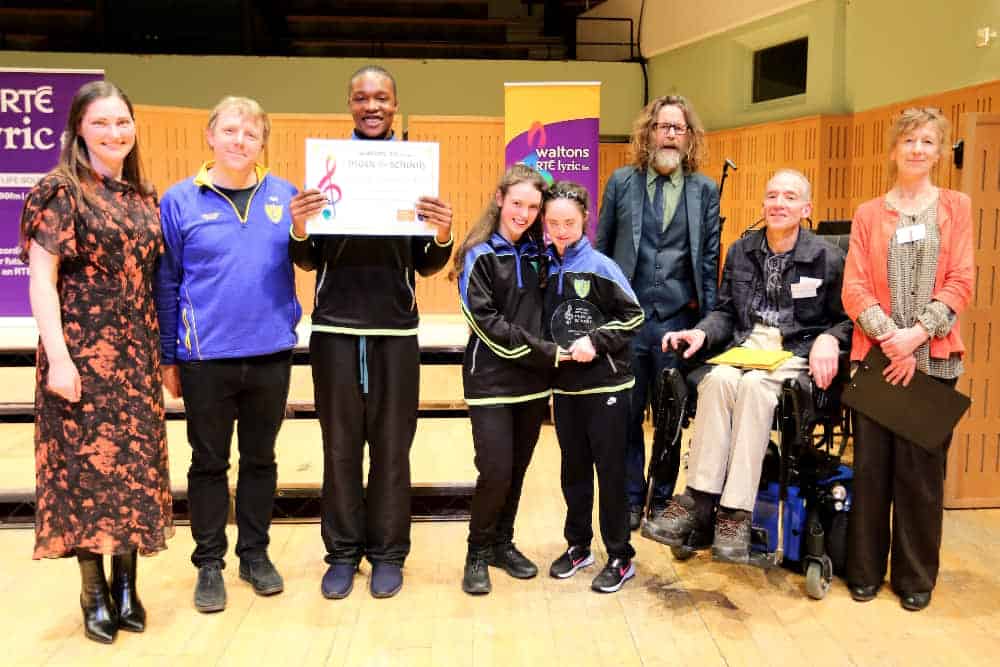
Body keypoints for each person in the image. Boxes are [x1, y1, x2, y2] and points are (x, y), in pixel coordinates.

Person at [289, 65, 454, 599]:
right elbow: (308, 258)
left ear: (395, 104)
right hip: (335, 329)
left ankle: (387, 553)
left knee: (391, 449)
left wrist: (442, 233)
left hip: (396, 332)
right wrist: (299, 225)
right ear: (349, 105)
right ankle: (341, 553)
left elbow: (426, 266)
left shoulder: (412, 169)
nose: (371, 105)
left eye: (381, 97)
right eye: (361, 97)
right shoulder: (329, 169)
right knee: (339, 448)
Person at [20, 80, 173, 644]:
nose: (115, 132)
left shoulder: (141, 195)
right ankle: (93, 591)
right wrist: (58, 358)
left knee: (133, 471)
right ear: (78, 129)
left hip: (134, 355)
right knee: (86, 473)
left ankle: (128, 585)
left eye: (123, 122)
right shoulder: (60, 191)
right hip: (82, 353)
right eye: (102, 122)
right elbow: (42, 279)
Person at [653, 169, 852, 564]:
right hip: (745, 346)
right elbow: (726, 312)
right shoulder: (744, 250)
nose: (779, 204)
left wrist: (830, 339)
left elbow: (847, 318)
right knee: (719, 380)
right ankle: (698, 498)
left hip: (796, 350)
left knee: (755, 387)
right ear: (763, 205)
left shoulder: (827, 257)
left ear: (806, 208)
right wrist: (701, 334)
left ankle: (735, 513)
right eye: (772, 196)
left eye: (790, 197)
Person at [154, 96, 303, 613]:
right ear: (210, 137)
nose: (241, 141)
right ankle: (209, 563)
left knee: (261, 460)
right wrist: (168, 355)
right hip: (204, 359)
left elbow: (310, 252)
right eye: (231, 131)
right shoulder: (178, 201)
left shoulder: (286, 196)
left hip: (271, 354)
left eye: (252, 134)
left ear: (263, 143)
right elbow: (167, 282)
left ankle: (255, 554)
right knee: (209, 461)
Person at [842, 108, 974, 611]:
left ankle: (915, 578)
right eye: (909, 141)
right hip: (877, 359)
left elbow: (961, 279)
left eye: (928, 141)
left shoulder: (956, 207)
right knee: (872, 472)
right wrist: (889, 340)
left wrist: (915, 338)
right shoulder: (868, 213)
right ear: (893, 150)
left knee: (920, 479)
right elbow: (853, 287)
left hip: (934, 361)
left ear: (939, 153)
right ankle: (865, 570)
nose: (918, 149)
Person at [595, 95, 721, 528]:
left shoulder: (704, 190)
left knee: (670, 418)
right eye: (662, 126)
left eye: (678, 128)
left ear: (689, 138)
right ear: (647, 133)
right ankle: (632, 498)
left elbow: (707, 261)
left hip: (677, 325)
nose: (670, 134)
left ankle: (663, 497)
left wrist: (708, 325)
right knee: (627, 416)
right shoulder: (620, 183)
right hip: (628, 324)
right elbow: (601, 252)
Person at [454, 164, 558, 595]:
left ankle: (502, 542)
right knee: (494, 470)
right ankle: (476, 552)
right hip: (491, 380)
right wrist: (545, 351)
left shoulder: (543, 252)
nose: (524, 213)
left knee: (517, 469)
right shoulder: (477, 255)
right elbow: (487, 323)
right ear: (499, 199)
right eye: (517, 203)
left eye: (533, 206)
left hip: (533, 382)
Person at [542, 181, 644, 593]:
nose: (561, 230)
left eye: (569, 221)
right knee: (574, 471)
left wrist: (596, 342)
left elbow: (634, 316)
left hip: (607, 386)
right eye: (553, 222)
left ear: (586, 218)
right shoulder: (545, 265)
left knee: (611, 473)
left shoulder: (602, 266)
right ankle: (578, 545)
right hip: (565, 390)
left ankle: (620, 556)